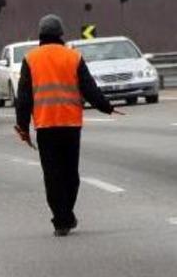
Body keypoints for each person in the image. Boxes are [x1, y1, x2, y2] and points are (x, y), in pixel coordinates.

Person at [14, 14, 115, 236]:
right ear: (61, 34)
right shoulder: (73, 57)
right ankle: (65, 214)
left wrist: (22, 126)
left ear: (40, 35)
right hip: (70, 124)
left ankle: (61, 220)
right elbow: (89, 89)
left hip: (45, 126)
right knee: (70, 174)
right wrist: (106, 107)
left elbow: (24, 98)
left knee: (52, 175)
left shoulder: (30, 59)